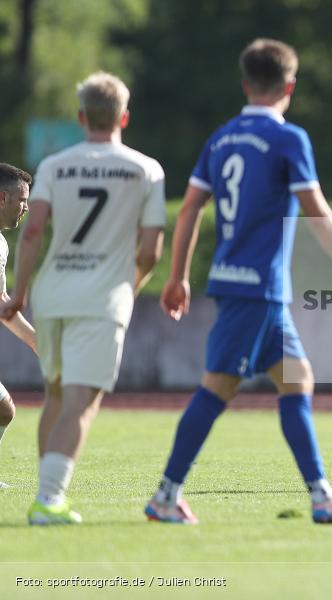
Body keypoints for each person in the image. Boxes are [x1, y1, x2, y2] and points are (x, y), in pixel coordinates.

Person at [145, 38, 332, 525]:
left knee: (297, 380)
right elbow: (315, 210)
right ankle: (165, 495)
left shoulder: (222, 137)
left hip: (248, 287)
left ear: (246, 83)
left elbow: (190, 208)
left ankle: (321, 495)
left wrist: (179, 276)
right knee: (218, 387)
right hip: (257, 289)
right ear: (289, 85)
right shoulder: (288, 138)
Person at [0, 72, 166, 524]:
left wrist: (20, 292)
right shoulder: (146, 169)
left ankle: (45, 495)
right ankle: (49, 500)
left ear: (80, 117)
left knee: (54, 396)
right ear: (124, 117)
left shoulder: (55, 166)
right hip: (101, 295)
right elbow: (151, 251)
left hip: (54, 292)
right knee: (82, 400)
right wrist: (125, 291)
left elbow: (33, 231)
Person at [0, 163, 39, 489]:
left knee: (3, 410)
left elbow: (1, 301)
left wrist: (35, 341)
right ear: (2, 198)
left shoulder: (1, 244)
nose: (26, 207)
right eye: (22, 199)